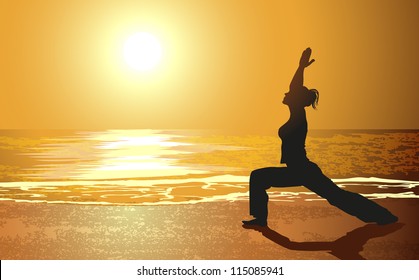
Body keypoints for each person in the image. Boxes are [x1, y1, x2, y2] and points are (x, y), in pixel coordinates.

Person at [242, 48, 398, 227]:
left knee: (337, 197)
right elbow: (294, 90)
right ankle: (260, 219)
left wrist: (301, 68)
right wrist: (300, 68)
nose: (285, 94)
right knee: (259, 178)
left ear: (296, 99)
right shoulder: (296, 113)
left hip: (302, 170)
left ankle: (383, 216)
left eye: (289, 93)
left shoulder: (298, 116)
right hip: (298, 170)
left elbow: (294, 88)